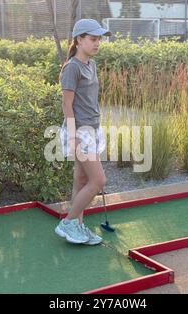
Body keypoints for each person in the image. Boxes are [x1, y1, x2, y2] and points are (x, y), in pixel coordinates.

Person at [54, 19, 112, 245]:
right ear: (79, 40)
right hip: (79, 131)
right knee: (98, 181)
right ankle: (68, 222)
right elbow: (66, 105)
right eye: (93, 39)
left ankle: (77, 226)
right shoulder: (72, 68)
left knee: (81, 179)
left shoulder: (91, 65)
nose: (97, 43)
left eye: (99, 39)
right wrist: (73, 136)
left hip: (93, 129)